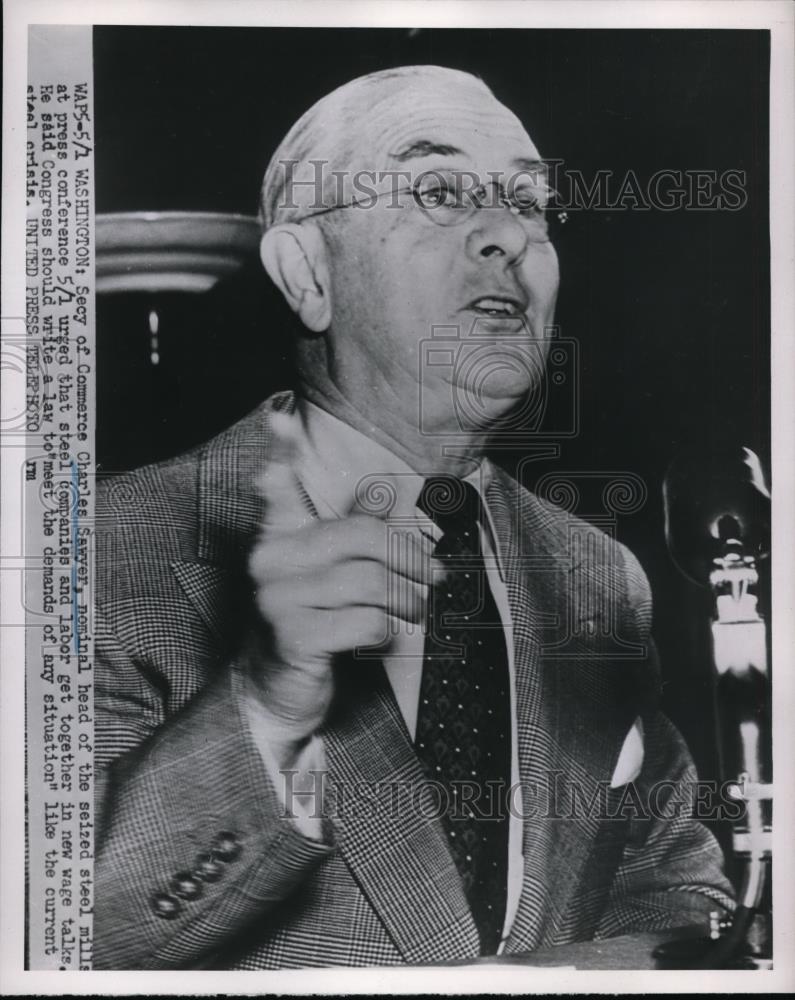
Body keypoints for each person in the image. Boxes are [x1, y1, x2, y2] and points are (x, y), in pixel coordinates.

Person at [93, 65, 734, 970]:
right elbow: (65, 935)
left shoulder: (595, 578)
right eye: (437, 190)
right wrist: (268, 704)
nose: (507, 234)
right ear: (306, 272)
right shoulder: (106, 550)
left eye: (528, 200)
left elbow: (672, 890)